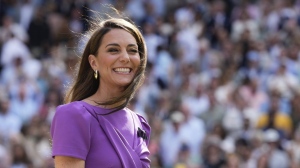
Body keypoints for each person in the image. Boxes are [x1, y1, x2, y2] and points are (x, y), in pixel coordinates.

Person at [50, 12, 151, 168]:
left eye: (132, 50)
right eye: (113, 50)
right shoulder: (73, 115)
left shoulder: (140, 122)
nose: (125, 58)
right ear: (93, 62)